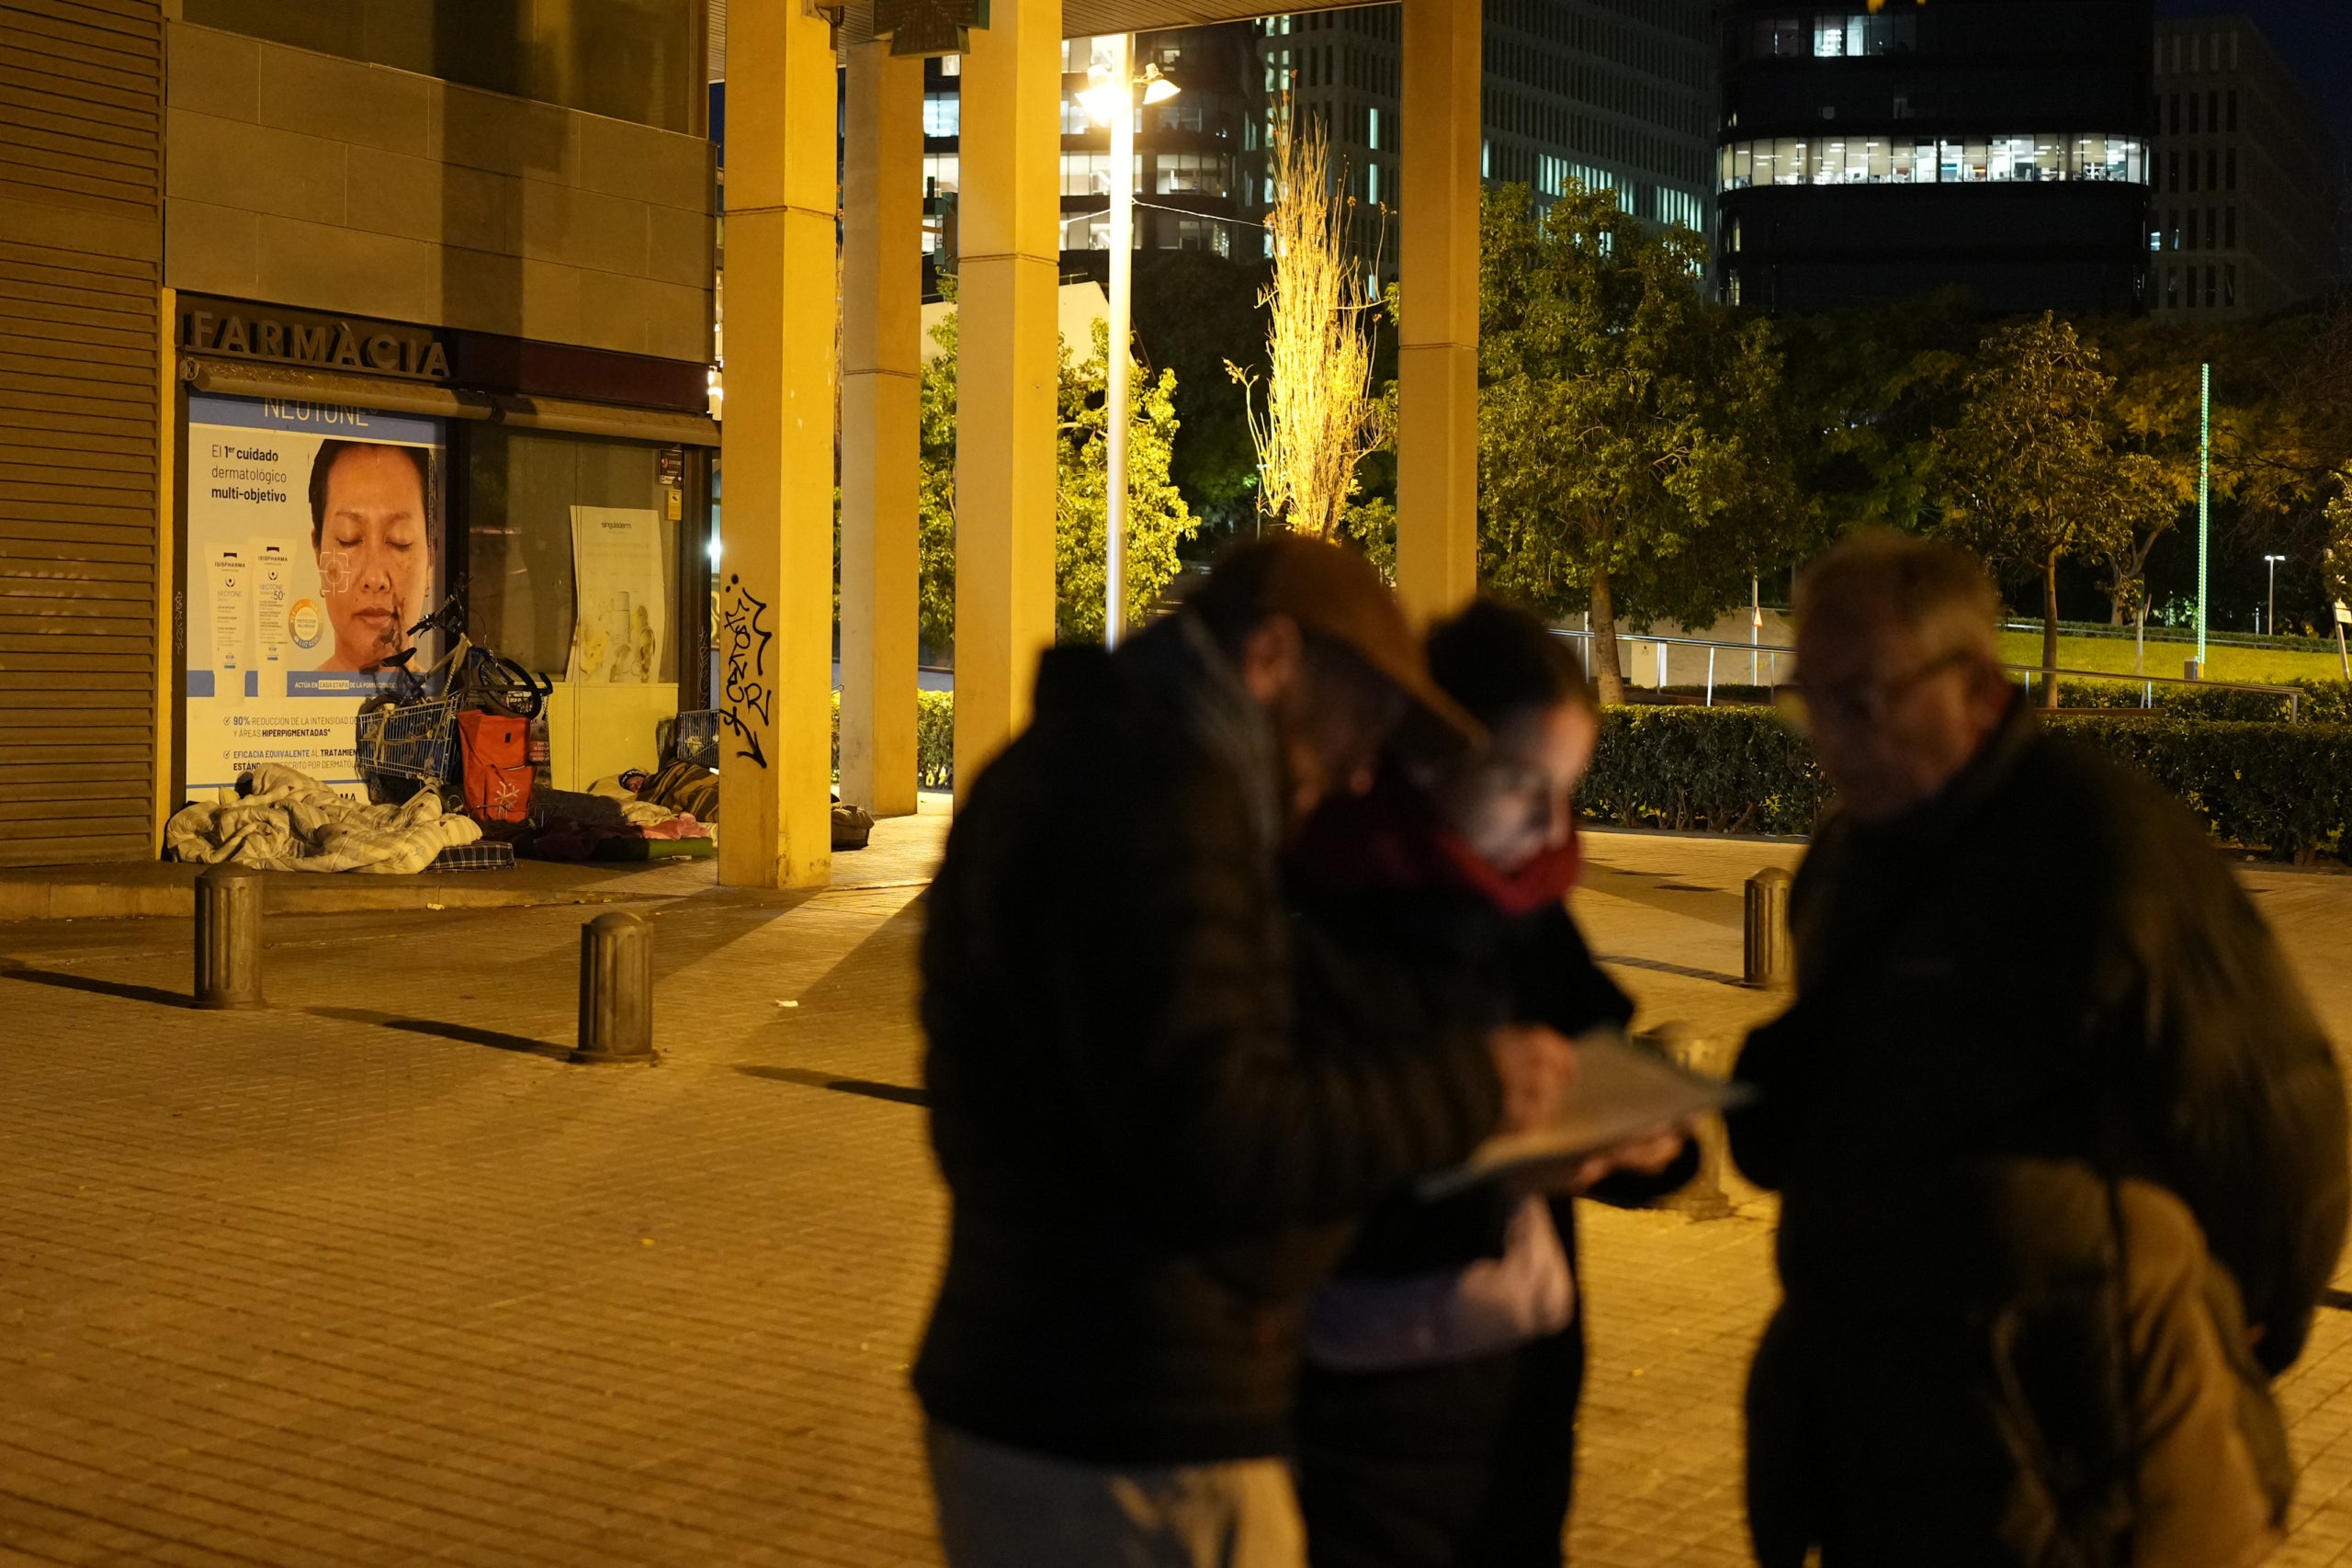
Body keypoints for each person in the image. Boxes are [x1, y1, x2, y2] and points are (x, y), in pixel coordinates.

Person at [915, 537, 1581, 1568]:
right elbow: (1218, 1132)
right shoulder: (1167, 802)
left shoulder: (1097, 767)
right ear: (1272, 656)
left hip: (1066, 1389)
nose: (1365, 763)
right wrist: (1471, 1087)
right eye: (1361, 713)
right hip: (1128, 1427)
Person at [1729, 531, 2348, 1568]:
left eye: (1862, 701)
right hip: (1890, 1429)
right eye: (1812, 702)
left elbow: (2273, 1114)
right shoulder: (1848, 858)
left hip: (2084, 1440)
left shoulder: (2104, 845)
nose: (1832, 739)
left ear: (1972, 685)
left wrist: (2235, 1333)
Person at [1285, 597, 1693, 1568]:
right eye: (1521, 783)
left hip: (1520, 1404)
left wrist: (1654, 1146)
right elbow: (1287, 1165)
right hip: (1354, 1420)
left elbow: (1619, 1071)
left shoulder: (1529, 914)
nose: (1551, 827)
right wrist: (1494, 1168)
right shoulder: (1316, 907)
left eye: (1567, 789)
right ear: (1429, 756)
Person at [307, 440, 434, 671]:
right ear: (318, 553)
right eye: (350, 538)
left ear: (431, 560)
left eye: (399, 541)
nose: (375, 579)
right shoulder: (283, 707)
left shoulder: (448, 706)